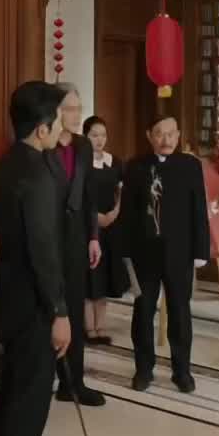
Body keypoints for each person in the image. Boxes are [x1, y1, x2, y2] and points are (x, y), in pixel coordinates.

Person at [0, 80, 71, 436]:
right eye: (58, 121)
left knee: (9, 396)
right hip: (35, 301)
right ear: (41, 128)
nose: (62, 128)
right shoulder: (36, 174)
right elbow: (43, 249)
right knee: (30, 404)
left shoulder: (7, 165)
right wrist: (59, 311)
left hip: (10, 293)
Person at [122, 112, 209, 395]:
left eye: (171, 133)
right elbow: (127, 213)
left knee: (180, 312)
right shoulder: (135, 166)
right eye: (159, 133)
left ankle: (182, 371)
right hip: (144, 254)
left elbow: (199, 209)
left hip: (179, 253)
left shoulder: (190, 166)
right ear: (149, 136)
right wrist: (125, 252)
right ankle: (143, 369)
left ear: (179, 135)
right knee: (142, 312)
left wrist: (200, 250)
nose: (166, 139)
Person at [48, 85, 105, 409]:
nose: (76, 115)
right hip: (47, 237)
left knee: (73, 306)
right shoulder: (43, 145)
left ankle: (73, 383)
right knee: (50, 310)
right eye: (70, 109)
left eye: (78, 108)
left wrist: (93, 236)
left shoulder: (83, 146)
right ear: (55, 111)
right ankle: (46, 378)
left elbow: (88, 194)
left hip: (76, 238)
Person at [83, 113, 128, 343]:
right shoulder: (81, 163)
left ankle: (101, 327)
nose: (99, 140)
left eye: (103, 135)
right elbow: (79, 196)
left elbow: (122, 192)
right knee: (90, 277)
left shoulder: (115, 162)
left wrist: (115, 213)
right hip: (88, 227)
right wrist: (95, 218)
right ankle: (89, 328)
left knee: (105, 278)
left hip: (112, 227)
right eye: (94, 135)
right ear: (85, 137)